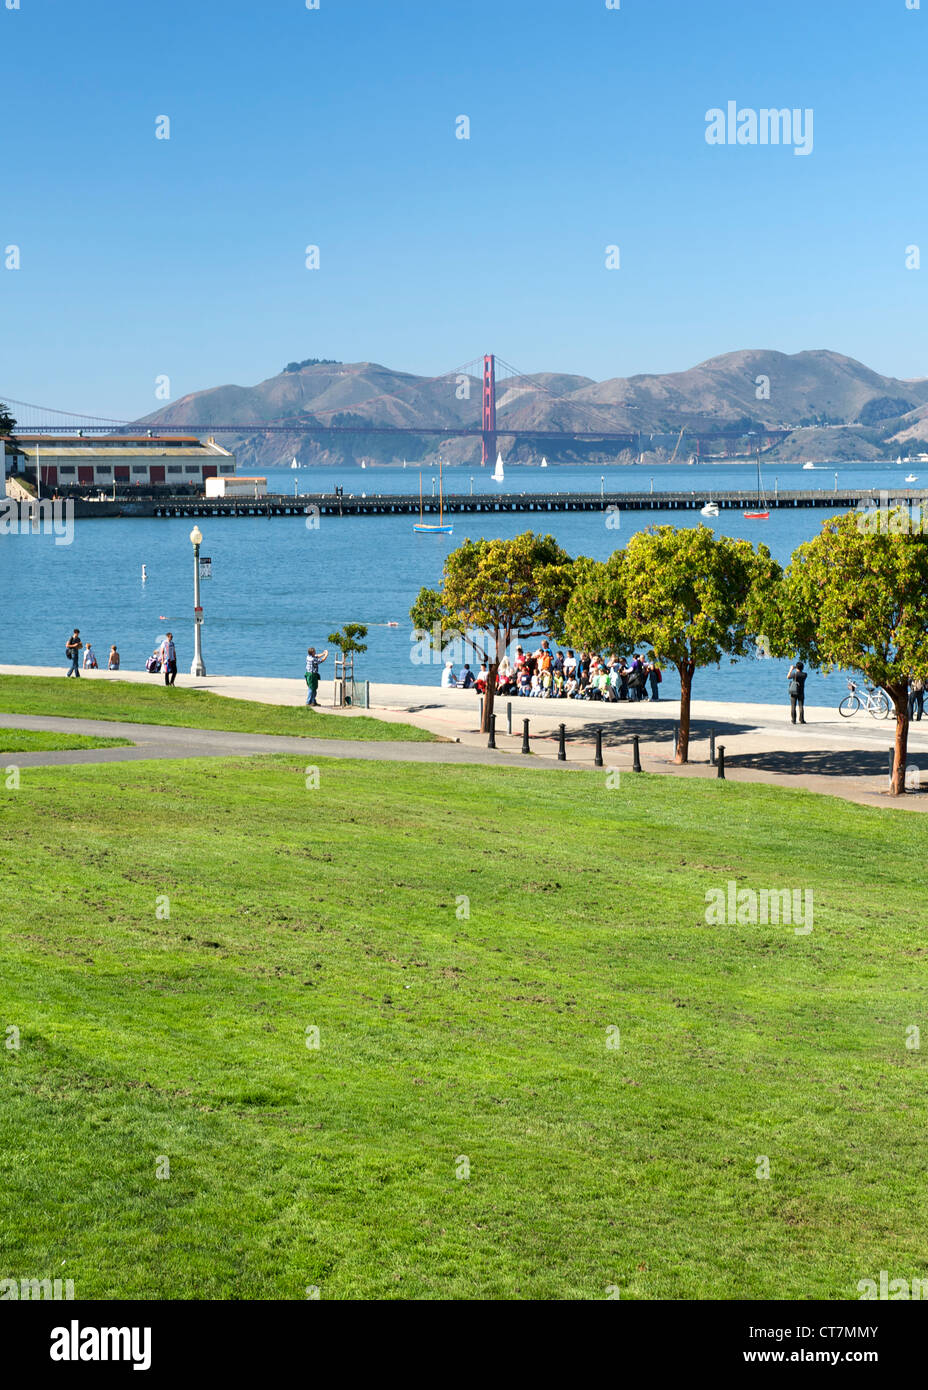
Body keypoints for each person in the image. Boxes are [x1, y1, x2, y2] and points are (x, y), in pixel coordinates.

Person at [787, 660, 807, 724]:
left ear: (797, 667)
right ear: (802, 668)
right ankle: (801, 719)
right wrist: (797, 668)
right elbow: (800, 671)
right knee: (801, 706)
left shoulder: (794, 674)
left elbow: (788, 677)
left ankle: (793, 720)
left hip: (794, 691)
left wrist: (791, 669)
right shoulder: (805, 674)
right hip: (801, 692)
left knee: (793, 706)